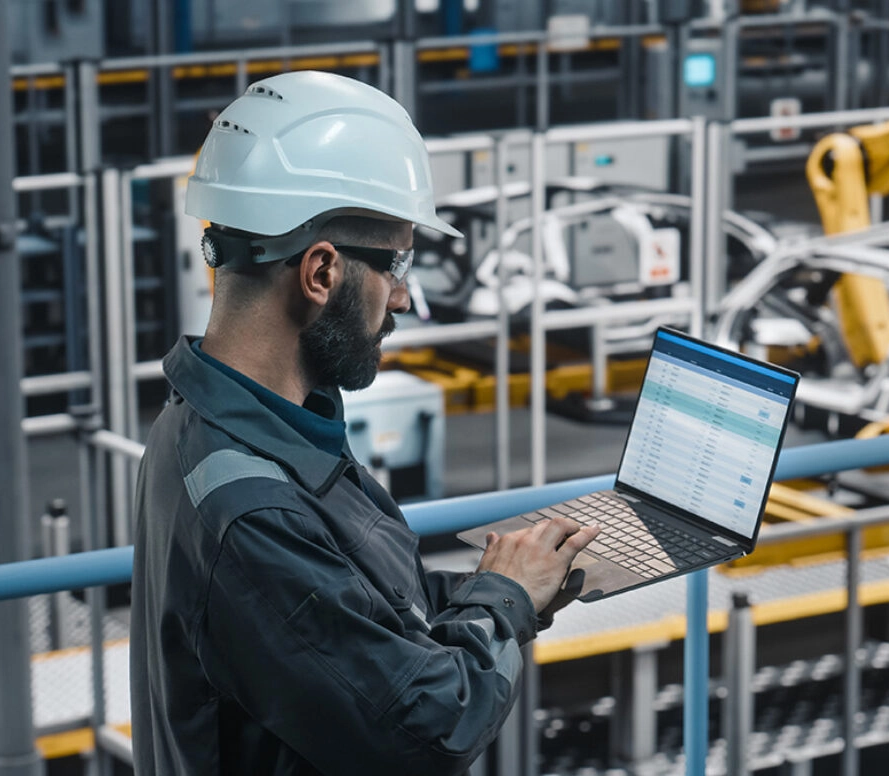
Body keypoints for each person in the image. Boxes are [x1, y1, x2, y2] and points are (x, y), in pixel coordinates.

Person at [130, 70, 600, 775]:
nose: (405, 297)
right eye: (395, 263)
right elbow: (428, 730)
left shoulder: (220, 426)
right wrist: (501, 606)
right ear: (320, 273)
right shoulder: (251, 509)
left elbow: (343, 615)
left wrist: (505, 585)